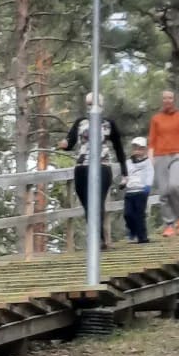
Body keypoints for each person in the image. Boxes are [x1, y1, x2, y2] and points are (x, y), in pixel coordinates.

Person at [58, 92, 128, 249]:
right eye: (88, 104)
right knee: (87, 204)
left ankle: (98, 239)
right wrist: (64, 144)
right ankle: (99, 237)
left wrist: (125, 173)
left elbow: (118, 148)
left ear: (101, 106)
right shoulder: (81, 122)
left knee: (97, 201)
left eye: (94, 104)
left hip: (102, 166)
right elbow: (70, 142)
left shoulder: (108, 124)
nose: (91, 107)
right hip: (82, 167)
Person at [148, 90, 179, 237]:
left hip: (177, 155)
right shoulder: (156, 118)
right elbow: (152, 139)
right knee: (163, 192)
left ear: (174, 100)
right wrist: (150, 156)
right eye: (165, 98)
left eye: (170, 98)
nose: (167, 100)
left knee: (174, 187)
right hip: (160, 156)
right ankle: (169, 225)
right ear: (162, 100)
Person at [123, 135, 154, 244]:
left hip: (141, 191)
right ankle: (133, 231)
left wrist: (148, 185)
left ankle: (142, 237)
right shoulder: (128, 162)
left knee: (139, 215)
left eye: (140, 149)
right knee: (128, 214)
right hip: (130, 191)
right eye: (135, 148)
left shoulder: (147, 162)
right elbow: (125, 174)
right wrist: (123, 182)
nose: (137, 151)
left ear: (145, 150)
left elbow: (150, 173)